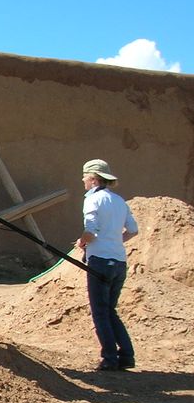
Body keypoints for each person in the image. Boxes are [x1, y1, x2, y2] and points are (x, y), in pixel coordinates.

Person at [74, 159, 139, 371]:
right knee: (110, 309)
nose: (83, 180)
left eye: (85, 176)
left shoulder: (93, 200)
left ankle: (110, 358)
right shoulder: (119, 200)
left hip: (99, 262)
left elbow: (90, 230)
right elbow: (133, 230)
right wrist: (115, 241)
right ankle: (127, 355)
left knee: (100, 312)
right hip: (119, 262)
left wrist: (81, 243)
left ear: (93, 179)